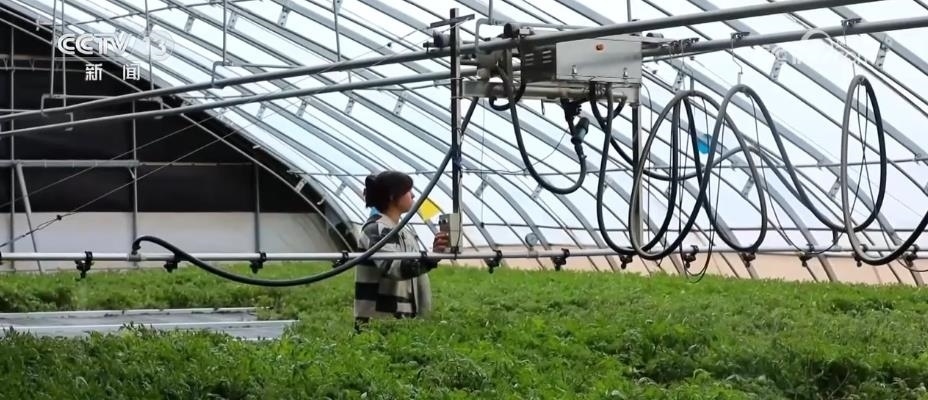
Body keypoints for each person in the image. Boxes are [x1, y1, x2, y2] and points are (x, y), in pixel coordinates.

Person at [354, 171, 449, 331]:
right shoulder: (376, 230)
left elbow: (414, 272)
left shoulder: (404, 232)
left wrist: (434, 253)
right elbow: (394, 267)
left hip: (403, 321)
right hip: (379, 324)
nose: (413, 195)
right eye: (407, 190)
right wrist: (431, 259)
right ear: (393, 196)